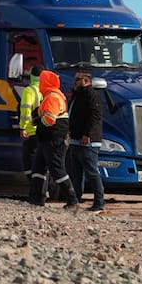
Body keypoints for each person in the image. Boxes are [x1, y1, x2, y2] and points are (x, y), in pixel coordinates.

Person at [28, 69, 79, 209]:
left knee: (57, 169)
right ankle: (36, 199)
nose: (39, 84)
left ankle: (72, 200)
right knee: (38, 167)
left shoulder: (52, 97)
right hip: (48, 138)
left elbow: (50, 119)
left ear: (45, 83)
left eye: (41, 81)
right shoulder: (53, 96)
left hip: (54, 138)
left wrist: (38, 121)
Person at [68, 69, 106, 212]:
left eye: (78, 79)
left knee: (92, 171)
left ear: (86, 81)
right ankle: (75, 200)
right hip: (75, 139)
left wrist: (87, 134)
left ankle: (99, 202)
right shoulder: (77, 95)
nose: (75, 82)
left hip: (88, 141)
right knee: (76, 172)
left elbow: (95, 117)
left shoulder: (92, 96)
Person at [19, 65, 42, 173]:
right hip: (44, 131)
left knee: (28, 164)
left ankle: (35, 187)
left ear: (31, 76)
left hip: (31, 132)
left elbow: (25, 111)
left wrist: (23, 128)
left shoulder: (29, 90)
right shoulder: (47, 90)